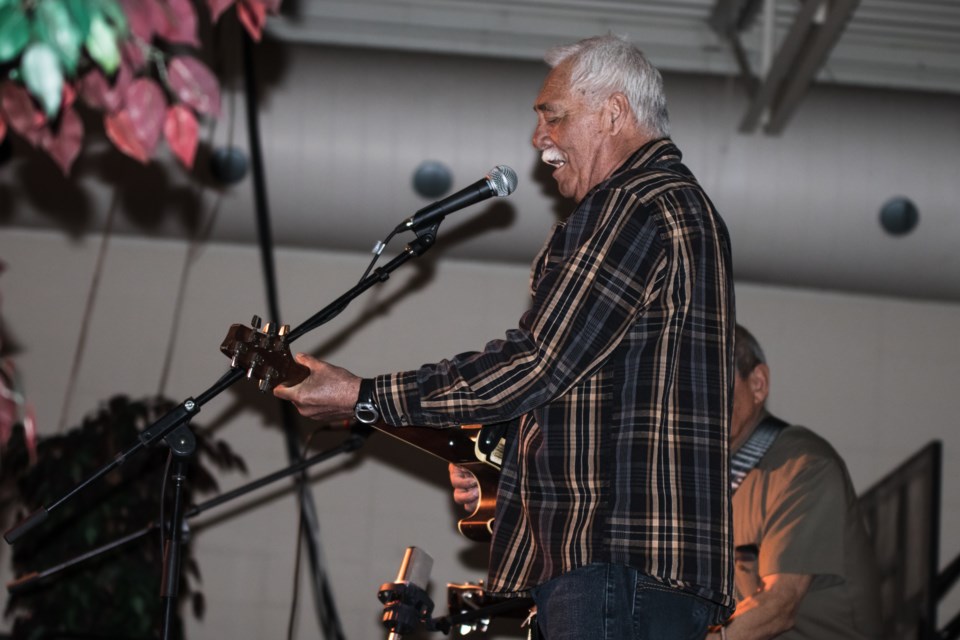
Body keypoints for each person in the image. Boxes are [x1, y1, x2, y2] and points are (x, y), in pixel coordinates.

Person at [274, 33, 736, 639]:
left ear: (614, 113)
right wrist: (503, 462)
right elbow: (597, 389)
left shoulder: (629, 205)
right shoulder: (674, 206)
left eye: (554, 115)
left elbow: (537, 363)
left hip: (611, 565)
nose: (539, 138)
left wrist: (363, 394)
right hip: (635, 570)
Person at [453, 324, 882, 639]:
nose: (697, 402)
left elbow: (779, 606)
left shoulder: (803, 465)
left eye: (714, 385)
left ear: (758, 384)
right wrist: (498, 486)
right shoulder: (695, 471)